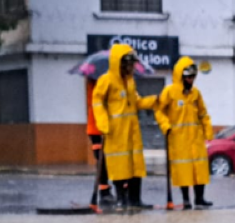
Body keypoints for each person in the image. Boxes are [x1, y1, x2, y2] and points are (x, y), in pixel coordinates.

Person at [92, 44, 159, 209]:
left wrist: (156, 100)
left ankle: (135, 200)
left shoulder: (130, 82)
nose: (132, 68)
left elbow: (136, 102)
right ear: (120, 63)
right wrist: (103, 123)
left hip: (132, 132)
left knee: (136, 167)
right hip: (116, 132)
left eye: (133, 65)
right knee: (119, 167)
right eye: (129, 65)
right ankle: (122, 200)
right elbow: (97, 101)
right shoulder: (106, 81)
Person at [155, 57, 214, 209]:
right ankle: (186, 199)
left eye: (193, 77)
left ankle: (200, 199)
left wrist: (208, 131)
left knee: (199, 169)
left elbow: (203, 114)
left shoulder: (196, 94)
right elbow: (159, 111)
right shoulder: (170, 92)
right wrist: (166, 126)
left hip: (195, 137)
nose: (191, 80)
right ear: (181, 76)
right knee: (184, 170)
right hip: (178, 138)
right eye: (188, 77)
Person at [86, 78, 115, 206]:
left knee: (109, 160)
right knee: (101, 160)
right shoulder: (94, 85)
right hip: (96, 128)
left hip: (108, 127)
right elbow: (95, 103)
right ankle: (104, 191)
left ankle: (109, 190)